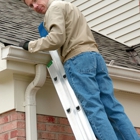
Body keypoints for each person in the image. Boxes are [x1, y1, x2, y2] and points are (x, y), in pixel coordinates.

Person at [19, 0, 140, 139]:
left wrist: (31, 45)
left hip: (77, 59)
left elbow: (56, 39)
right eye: (30, 6)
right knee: (113, 108)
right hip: (95, 57)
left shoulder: (54, 8)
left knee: (94, 108)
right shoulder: (69, 6)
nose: (35, 7)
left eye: (35, 0)